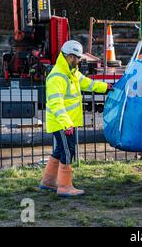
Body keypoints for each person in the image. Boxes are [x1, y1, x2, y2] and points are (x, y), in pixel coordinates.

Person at [39, 40, 113, 197]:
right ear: (70, 57)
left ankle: (48, 182)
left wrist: (105, 87)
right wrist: (66, 124)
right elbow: (56, 104)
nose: (79, 61)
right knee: (68, 150)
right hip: (63, 123)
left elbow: (87, 83)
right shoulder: (58, 76)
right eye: (77, 58)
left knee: (60, 150)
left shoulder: (71, 73)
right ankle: (65, 187)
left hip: (64, 122)